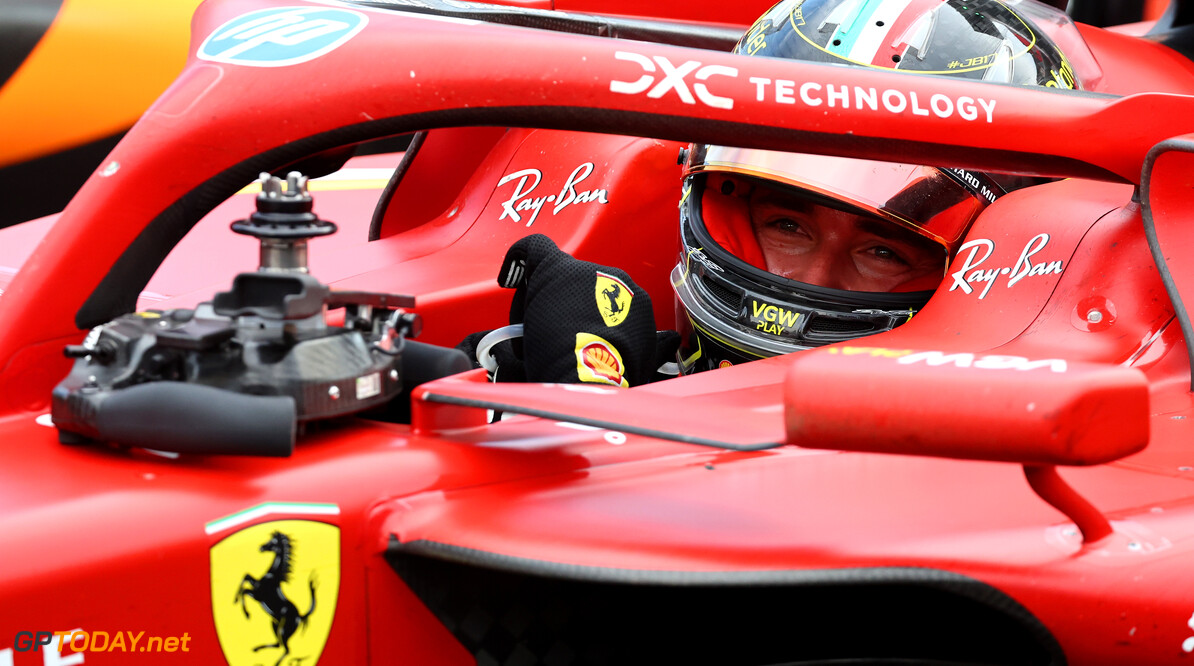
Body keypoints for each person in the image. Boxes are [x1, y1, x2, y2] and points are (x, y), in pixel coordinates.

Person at [460, 0, 1095, 384]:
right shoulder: (583, 357)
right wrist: (554, 396)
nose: (815, 275)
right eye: (787, 225)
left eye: (884, 252)